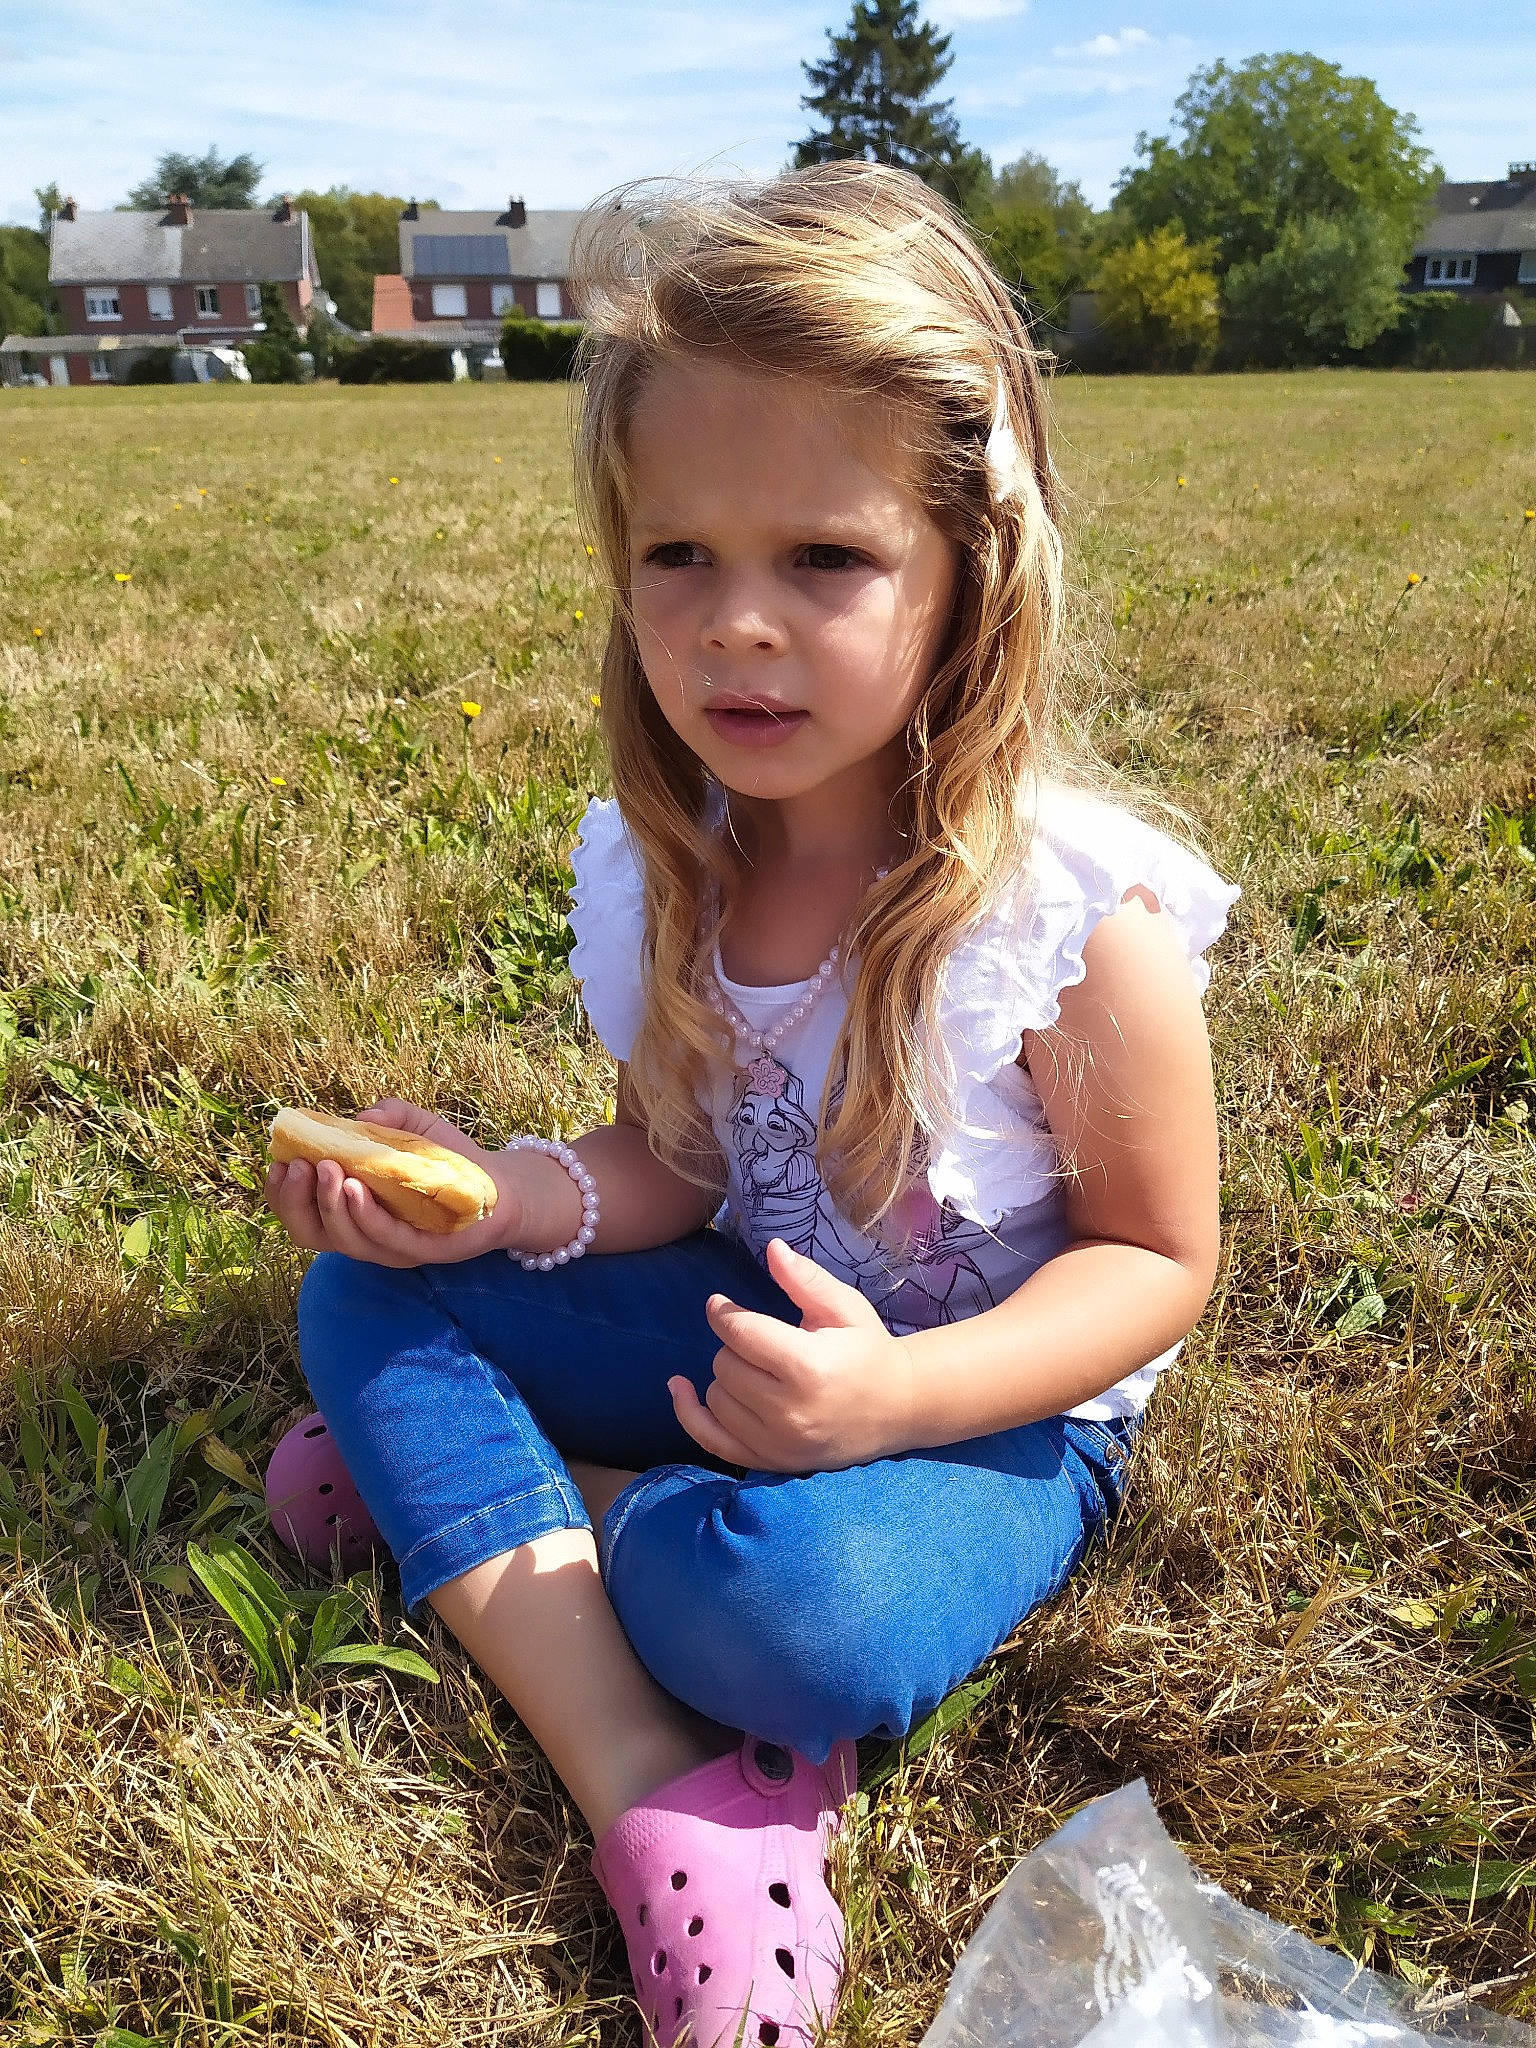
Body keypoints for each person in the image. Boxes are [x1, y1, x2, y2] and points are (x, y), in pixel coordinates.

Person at [262, 161, 1242, 2048]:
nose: (738, 628)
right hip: (749, 1308)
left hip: (996, 1411)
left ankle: (493, 1515)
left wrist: (900, 1399)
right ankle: (660, 1789)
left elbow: (1152, 1256)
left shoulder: (1061, 921)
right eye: (679, 558)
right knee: (368, 1295)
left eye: (826, 558)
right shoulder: (669, 870)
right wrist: (513, 1195)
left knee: (800, 1632)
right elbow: (685, 1165)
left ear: (972, 564)